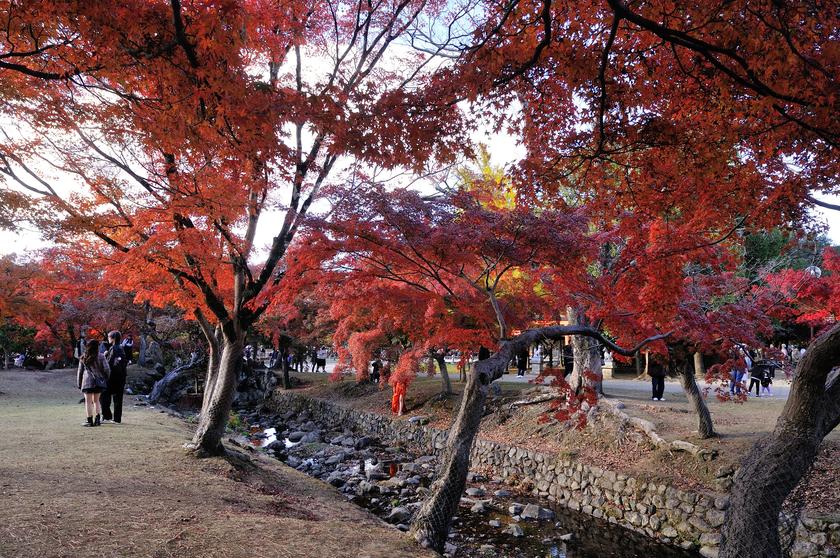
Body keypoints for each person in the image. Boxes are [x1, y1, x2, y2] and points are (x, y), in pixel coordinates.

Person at [77, 339, 110, 427]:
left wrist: (79, 383)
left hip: (87, 382)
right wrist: (105, 378)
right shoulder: (101, 356)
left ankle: (89, 421)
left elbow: (80, 372)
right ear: (97, 347)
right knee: (96, 401)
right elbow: (107, 369)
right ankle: (98, 420)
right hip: (98, 382)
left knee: (88, 402)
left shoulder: (83, 357)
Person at [103, 331, 127, 423]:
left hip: (112, 377)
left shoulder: (114, 348)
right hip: (121, 377)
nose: (108, 339)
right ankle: (117, 418)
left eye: (109, 337)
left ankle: (107, 416)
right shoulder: (121, 348)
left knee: (104, 396)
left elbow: (109, 363)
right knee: (118, 399)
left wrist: (105, 355)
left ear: (113, 338)